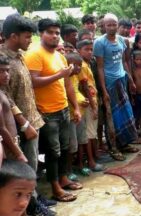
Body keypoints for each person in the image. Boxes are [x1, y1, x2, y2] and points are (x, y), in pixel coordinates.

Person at [0, 14, 57, 216]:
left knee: (32, 166)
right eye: (27, 37)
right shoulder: (3, 61)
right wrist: (24, 124)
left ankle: (34, 198)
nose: (30, 41)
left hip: (33, 118)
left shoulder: (19, 55)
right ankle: (31, 207)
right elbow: (5, 96)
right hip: (20, 125)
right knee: (24, 169)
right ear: (13, 36)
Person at [24, 18, 81, 202]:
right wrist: (59, 74)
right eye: (50, 32)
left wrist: (76, 107)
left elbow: (67, 84)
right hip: (46, 112)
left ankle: (63, 179)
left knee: (64, 148)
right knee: (53, 151)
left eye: (57, 33)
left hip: (63, 108)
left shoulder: (59, 55)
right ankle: (55, 187)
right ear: (41, 33)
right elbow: (33, 82)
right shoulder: (34, 54)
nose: (55, 36)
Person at [93, 13, 138, 160]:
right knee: (112, 118)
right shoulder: (99, 43)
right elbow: (99, 67)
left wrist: (130, 80)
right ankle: (113, 148)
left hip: (122, 80)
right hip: (109, 84)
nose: (112, 27)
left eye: (114, 24)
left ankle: (124, 144)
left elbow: (124, 62)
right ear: (104, 26)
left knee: (126, 114)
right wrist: (104, 90)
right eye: (108, 25)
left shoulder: (121, 40)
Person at [76, 40, 103, 173]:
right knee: (89, 134)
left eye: (91, 49)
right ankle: (91, 161)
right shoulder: (81, 65)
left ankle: (93, 159)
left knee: (91, 133)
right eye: (86, 49)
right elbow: (85, 87)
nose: (90, 52)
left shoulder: (86, 64)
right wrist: (92, 106)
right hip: (88, 102)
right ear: (79, 50)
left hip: (92, 100)